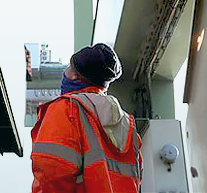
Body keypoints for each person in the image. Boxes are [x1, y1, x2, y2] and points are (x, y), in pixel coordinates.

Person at [30, 43, 142, 193]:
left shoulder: (66, 109)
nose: (65, 71)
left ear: (76, 76)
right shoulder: (128, 125)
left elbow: (51, 170)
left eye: (69, 68)